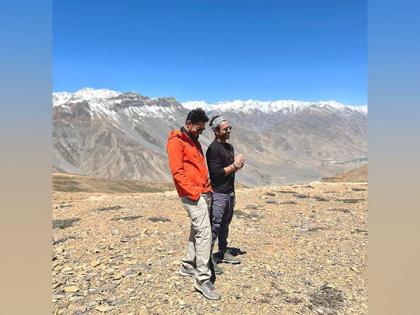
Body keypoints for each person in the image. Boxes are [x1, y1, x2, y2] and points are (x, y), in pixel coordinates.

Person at [166, 108, 221, 300]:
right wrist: (195, 193)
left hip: (203, 193)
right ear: (188, 124)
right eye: (198, 129)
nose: (200, 132)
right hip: (192, 196)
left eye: (202, 130)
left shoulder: (193, 141)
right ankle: (202, 278)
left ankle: (188, 265)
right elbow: (177, 172)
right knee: (204, 233)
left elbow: (198, 168)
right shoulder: (176, 142)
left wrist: (207, 189)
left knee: (196, 231)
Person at [206, 115, 244, 273]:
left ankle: (222, 251)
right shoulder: (213, 149)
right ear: (216, 131)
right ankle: (207, 259)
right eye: (225, 129)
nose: (229, 131)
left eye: (230, 128)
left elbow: (230, 173)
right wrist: (235, 166)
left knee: (225, 225)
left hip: (229, 193)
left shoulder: (229, 147)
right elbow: (216, 174)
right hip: (219, 193)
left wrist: (233, 193)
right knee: (214, 226)